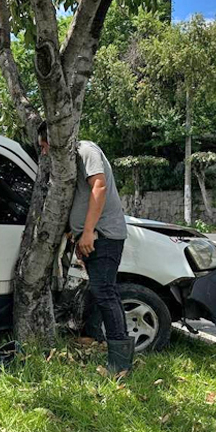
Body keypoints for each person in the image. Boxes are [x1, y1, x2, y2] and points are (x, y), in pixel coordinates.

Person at [37, 123, 134, 375]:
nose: (44, 152)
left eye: (44, 145)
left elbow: (98, 187)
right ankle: (95, 336)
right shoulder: (72, 161)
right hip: (91, 235)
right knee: (99, 289)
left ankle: (120, 362)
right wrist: (77, 234)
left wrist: (89, 231)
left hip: (104, 235)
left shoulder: (86, 150)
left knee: (105, 291)